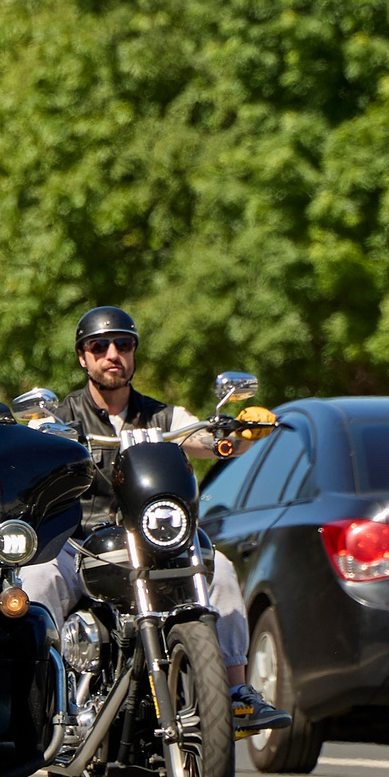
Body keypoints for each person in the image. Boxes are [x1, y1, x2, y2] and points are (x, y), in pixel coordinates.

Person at [52, 305, 287, 730]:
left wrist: (239, 432)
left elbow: (206, 439)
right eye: (99, 346)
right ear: (82, 357)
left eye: (123, 345)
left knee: (222, 571)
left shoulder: (165, 418)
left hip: (151, 541)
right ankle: (46, 696)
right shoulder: (60, 418)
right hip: (80, 544)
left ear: (134, 354)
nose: (112, 355)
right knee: (38, 578)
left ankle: (235, 691)